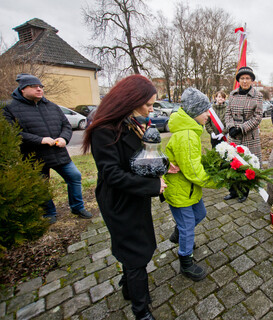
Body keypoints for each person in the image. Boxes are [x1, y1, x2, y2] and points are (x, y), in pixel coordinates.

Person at [82, 75, 176, 320]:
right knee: (135, 254)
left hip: (133, 196)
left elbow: (140, 157)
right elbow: (112, 174)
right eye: (148, 105)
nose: (151, 110)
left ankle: (129, 287)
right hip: (119, 200)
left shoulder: (130, 121)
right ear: (130, 100)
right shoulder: (104, 128)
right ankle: (141, 310)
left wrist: (162, 166)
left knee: (133, 246)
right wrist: (153, 186)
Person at [3, 73, 92, 224]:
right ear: (22, 89)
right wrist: (40, 140)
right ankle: (49, 212)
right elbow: (12, 132)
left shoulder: (51, 106)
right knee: (42, 185)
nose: (39, 89)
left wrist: (64, 138)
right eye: (34, 87)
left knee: (74, 176)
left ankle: (77, 207)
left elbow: (66, 125)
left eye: (40, 86)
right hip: (33, 157)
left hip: (58, 153)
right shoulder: (11, 109)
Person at [163, 87, 218, 281]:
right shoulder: (186, 136)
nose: (207, 115)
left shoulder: (191, 132)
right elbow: (193, 172)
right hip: (181, 191)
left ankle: (178, 233)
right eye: (204, 111)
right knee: (188, 227)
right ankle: (185, 262)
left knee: (200, 214)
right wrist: (218, 181)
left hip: (189, 189)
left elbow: (193, 162)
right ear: (194, 112)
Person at [224, 66, 263, 202]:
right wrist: (230, 127)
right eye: (242, 78)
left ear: (251, 80)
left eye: (247, 78)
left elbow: (258, 117)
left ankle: (244, 192)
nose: (245, 81)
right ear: (238, 80)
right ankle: (233, 190)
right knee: (233, 162)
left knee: (247, 164)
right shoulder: (232, 94)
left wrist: (241, 128)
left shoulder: (257, 95)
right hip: (233, 135)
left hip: (248, 135)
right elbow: (227, 113)